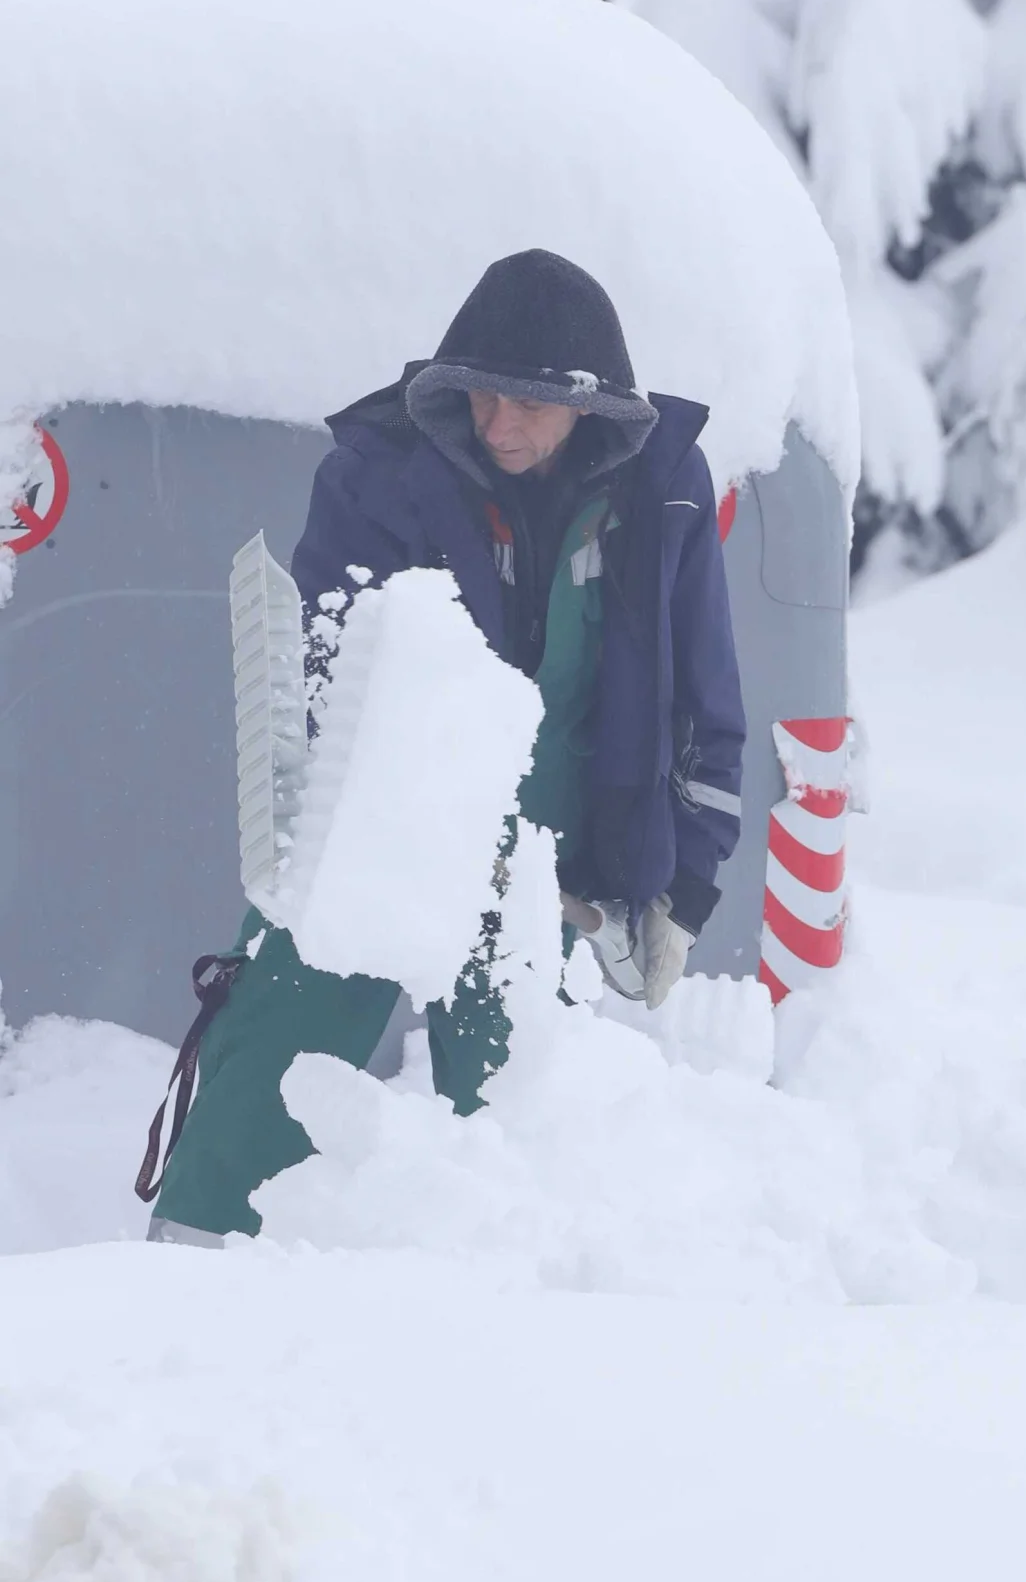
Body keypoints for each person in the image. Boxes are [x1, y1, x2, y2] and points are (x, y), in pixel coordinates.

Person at [144, 249, 745, 1243]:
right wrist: (420, 833)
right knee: (285, 1036)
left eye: (528, 405)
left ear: (588, 408)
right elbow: (328, 668)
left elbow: (702, 697)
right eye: (477, 398)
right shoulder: (382, 472)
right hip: (378, 817)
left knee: (515, 1092)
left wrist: (682, 888)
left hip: (553, 854)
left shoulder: (662, 487)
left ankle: (485, 1297)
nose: (498, 425)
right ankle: (194, 1262)